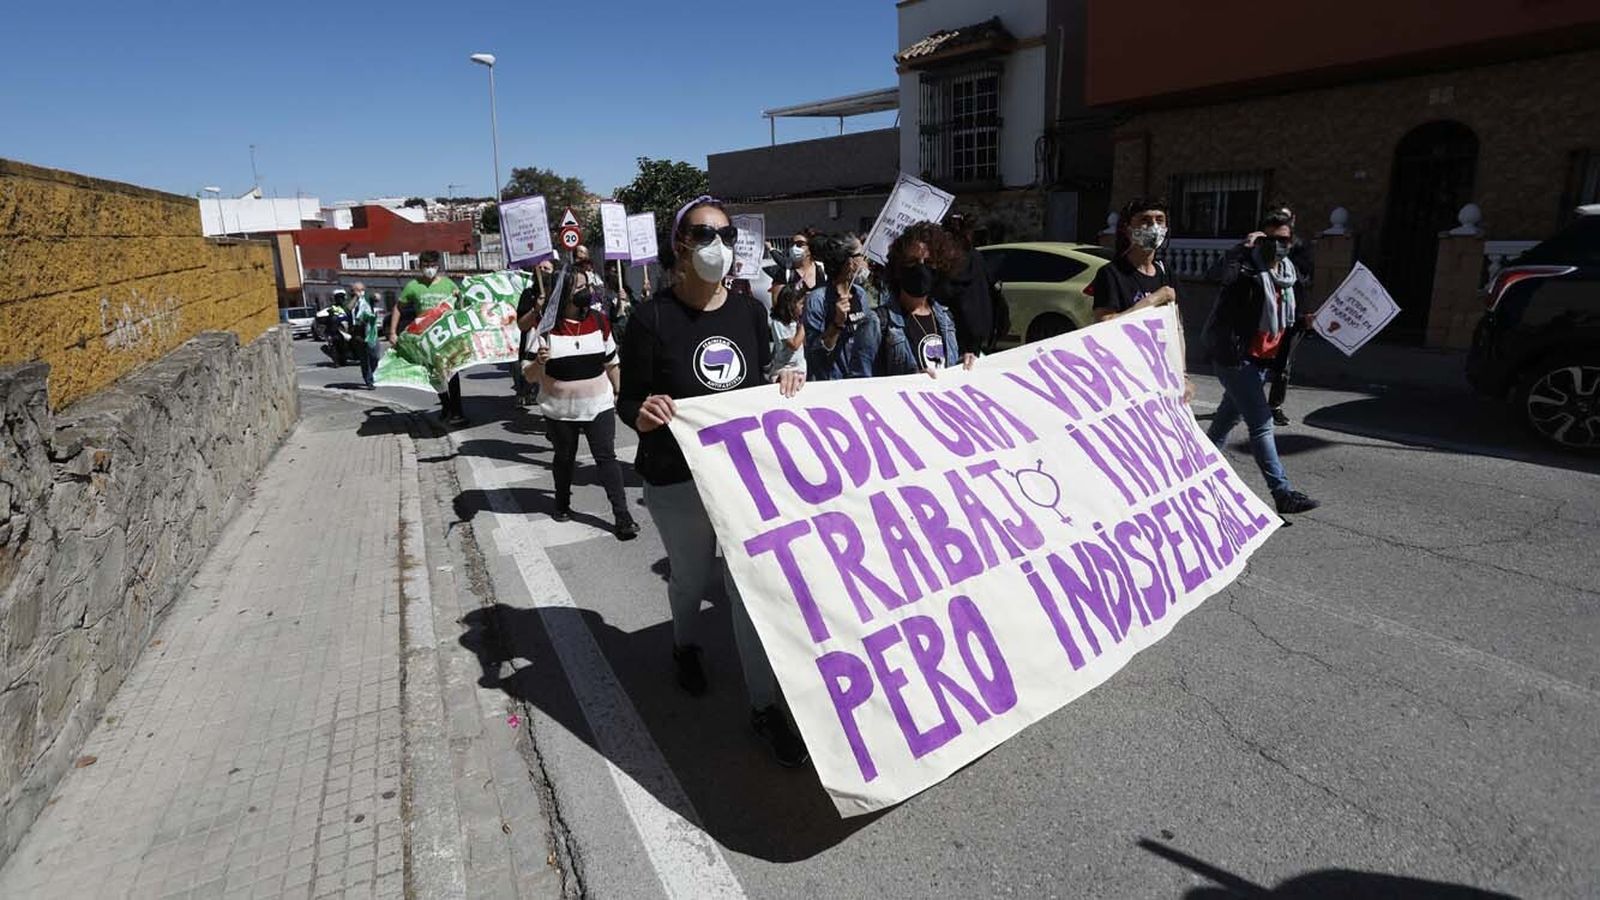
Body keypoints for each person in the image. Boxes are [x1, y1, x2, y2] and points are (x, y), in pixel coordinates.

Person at [617, 195, 809, 767]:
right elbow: (629, 399)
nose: (716, 246)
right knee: (691, 577)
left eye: (724, 234)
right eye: (703, 235)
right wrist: (641, 414)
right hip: (676, 480)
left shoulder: (749, 312)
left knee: (747, 590)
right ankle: (685, 644)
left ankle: (763, 706)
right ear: (680, 245)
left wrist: (790, 377)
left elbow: (772, 372)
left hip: (741, 480)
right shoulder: (650, 318)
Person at [1201, 208, 1321, 515]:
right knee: (1262, 424)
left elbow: (1292, 314)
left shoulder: (1289, 273)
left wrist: (1305, 322)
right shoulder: (1244, 268)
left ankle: (1196, 471)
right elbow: (1216, 276)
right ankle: (1282, 493)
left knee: (1227, 420)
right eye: (1270, 239)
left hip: (1265, 362)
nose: (1277, 245)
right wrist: (1242, 248)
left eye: (1283, 239)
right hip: (1235, 358)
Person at [533, 273, 638, 539]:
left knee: (606, 458)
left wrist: (618, 391)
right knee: (565, 458)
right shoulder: (546, 328)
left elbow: (611, 362)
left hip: (598, 404)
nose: (587, 291)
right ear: (564, 293)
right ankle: (562, 502)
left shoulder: (600, 321)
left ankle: (622, 516)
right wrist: (538, 363)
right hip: (560, 409)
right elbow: (528, 375)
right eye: (580, 287)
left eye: (587, 286)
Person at [863, 221, 975, 377]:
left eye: (928, 263)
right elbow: (859, 382)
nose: (921, 269)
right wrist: (911, 382)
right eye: (913, 262)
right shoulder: (877, 322)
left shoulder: (945, 318)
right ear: (898, 267)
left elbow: (945, 368)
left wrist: (962, 363)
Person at [392, 251, 467, 426]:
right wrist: (392, 332)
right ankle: (446, 405)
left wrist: (459, 298)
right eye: (426, 266)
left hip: (447, 337)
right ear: (420, 267)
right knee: (434, 375)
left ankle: (457, 411)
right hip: (426, 339)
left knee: (452, 373)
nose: (429, 269)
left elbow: (461, 309)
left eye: (432, 266)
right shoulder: (413, 287)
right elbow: (398, 307)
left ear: (438, 266)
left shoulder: (448, 285)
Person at [1091, 197, 1179, 322]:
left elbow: (1176, 322)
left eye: (1159, 220)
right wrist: (1153, 300)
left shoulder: (1166, 272)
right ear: (1128, 229)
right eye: (1145, 220)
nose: (1154, 227)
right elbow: (1103, 322)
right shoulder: (1111, 274)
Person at [802, 233, 876, 380]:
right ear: (850, 263)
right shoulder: (817, 300)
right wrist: (837, 324)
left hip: (861, 382)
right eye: (861, 255)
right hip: (833, 385)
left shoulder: (860, 294)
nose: (865, 260)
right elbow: (816, 355)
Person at [938, 213, 1004, 353]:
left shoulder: (948, 262)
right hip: (981, 328)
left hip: (958, 330)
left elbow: (944, 293)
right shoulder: (977, 257)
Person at [513, 259, 555, 406]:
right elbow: (522, 325)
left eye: (547, 268)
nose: (542, 271)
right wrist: (536, 309)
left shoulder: (559, 295)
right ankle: (524, 391)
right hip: (533, 346)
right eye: (540, 268)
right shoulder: (528, 294)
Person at [767, 283, 807, 380]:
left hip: (800, 367)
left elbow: (803, 343)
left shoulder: (796, 321)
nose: (803, 306)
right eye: (801, 303)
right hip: (783, 370)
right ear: (791, 305)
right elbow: (794, 345)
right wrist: (804, 325)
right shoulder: (778, 324)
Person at [350, 282, 381, 388]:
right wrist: (355, 298)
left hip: (370, 330)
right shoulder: (350, 300)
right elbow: (348, 308)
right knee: (364, 359)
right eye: (357, 290)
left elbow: (376, 298)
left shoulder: (367, 298)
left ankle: (373, 374)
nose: (360, 292)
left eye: (361, 289)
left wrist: (375, 295)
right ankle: (369, 380)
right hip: (358, 332)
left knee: (375, 356)